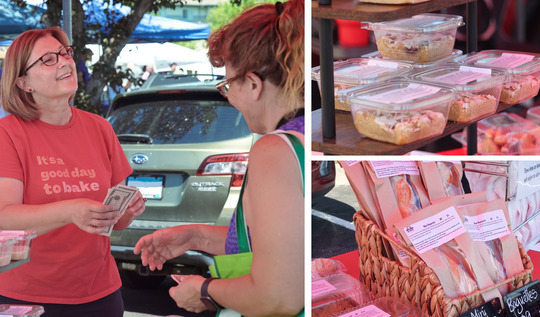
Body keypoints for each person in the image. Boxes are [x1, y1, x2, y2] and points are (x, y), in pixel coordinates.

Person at [134, 0, 304, 315]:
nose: (228, 97)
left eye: (227, 86)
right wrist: (196, 235)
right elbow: (280, 242)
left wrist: (203, 291)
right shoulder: (307, 134)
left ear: (253, 84)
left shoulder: (274, 149)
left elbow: (278, 296)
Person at [0, 27, 146, 317]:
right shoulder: (8, 134)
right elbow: (5, 218)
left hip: (100, 293)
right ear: (24, 83)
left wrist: (128, 208)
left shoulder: (100, 128)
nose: (65, 62)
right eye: (48, 60)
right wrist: (72, 210)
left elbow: (115, 223)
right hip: (28, 298)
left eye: (65, 53)